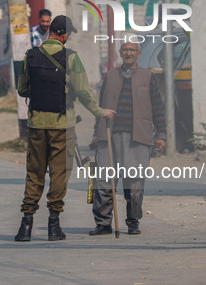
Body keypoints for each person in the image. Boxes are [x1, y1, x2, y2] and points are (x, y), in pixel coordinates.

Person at [15, 15, 115, 242]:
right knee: (59, 174)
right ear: (64, 34)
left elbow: (22, 90)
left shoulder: (30, 56)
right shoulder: (71, 58)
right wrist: (101, 112)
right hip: (63, 125)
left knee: (34, 174)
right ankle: (53, 225)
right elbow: (83, 93)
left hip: (37, 125)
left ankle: (26, 225)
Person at [89, 41, 166, 236]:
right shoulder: (110, 76)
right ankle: (103, 224)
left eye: (132, 50)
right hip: (109, 135)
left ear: (138, 54)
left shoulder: (148, 77)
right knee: (104, 180)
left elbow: (158, 107)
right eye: (125, 50)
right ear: (121, 53)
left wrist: (161, 134)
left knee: (134, 183)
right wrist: (96, 133)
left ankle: (133, 222)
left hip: (137, 137)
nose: (129, 53)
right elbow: (100, 107)